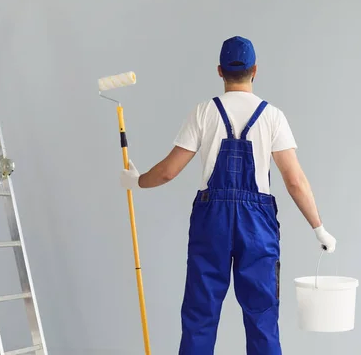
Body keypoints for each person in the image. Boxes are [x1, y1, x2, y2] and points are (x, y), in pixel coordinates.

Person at [120, 36, 337, 355]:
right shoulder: (272, 116)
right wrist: (318, 227)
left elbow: (167, 171)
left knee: (199, 315)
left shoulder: (203, 112)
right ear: (255, 71)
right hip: (257, 224)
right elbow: (295, 181)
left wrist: (136, 181)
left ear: (220, 71)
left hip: (212, 222)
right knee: (262, 317)